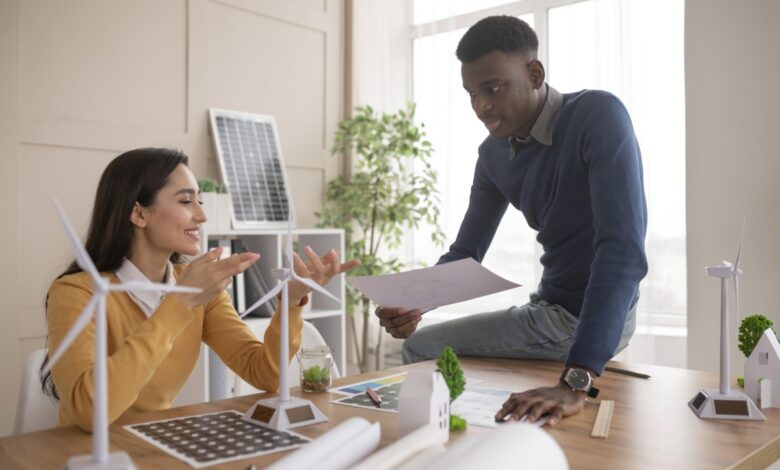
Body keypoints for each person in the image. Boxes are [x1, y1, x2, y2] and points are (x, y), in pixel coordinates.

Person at [376, 16, 647, 426]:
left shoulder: (597, 115)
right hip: (547, 307)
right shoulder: (492, 156)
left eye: (493, 88)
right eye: (471, 93)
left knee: (421, 350)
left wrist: (576, 382)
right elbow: (466, 253)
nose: (480, 106)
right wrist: (416, 300)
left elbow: (622, 252)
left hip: (586, 314)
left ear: (535, 73)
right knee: (423, 342)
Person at [41, 148, 360, 431]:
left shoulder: (198, 290)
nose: (202, 215)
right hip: (85, 453)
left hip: (157, 442)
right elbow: (89, 412)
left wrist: (290, 303)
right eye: (185, 201)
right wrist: (180, 303)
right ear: (139, 213)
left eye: (200, 201)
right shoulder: (76, 292)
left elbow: (264, 373)